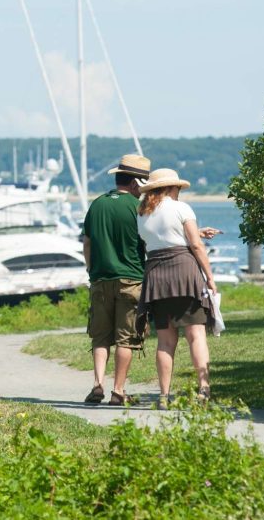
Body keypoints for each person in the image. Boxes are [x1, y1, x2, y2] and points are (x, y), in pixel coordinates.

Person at [136, 168, 221, 408]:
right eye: (178, 189)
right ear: (171, 188)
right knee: (196, 335)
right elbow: (195, 245)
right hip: (183, 272)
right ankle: (204, 388)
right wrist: (210, 277)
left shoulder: (142, 214)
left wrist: (195, 233)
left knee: (165, 341)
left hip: (156, 275)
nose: (179, 193)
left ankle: (164, 395)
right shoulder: (181, 208)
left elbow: (159, 240)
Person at [81, 154, 150, 406]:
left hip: (100, 278)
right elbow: (147, 243)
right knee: (126, 338)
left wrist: (92, 270)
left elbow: (87, 243)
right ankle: (118, 390)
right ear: (134, 183)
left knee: (99, 336)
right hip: (131, 279)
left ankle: (98, 384)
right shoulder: (138, 208)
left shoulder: (97, 204)